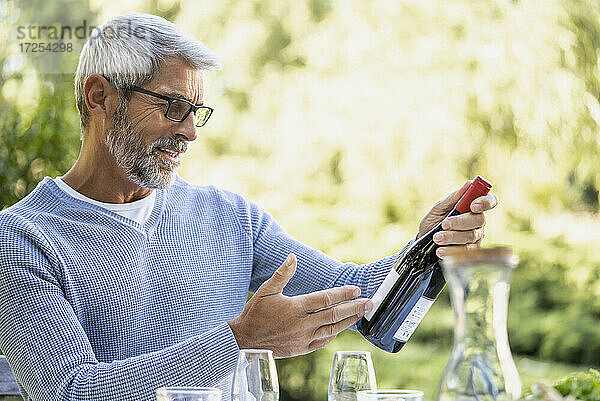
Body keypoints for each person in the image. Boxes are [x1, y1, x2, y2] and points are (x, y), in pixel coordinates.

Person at [0, 13, 498, 401]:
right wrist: (234, 344)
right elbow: (66, 391)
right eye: (172, 107)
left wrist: (428, 247)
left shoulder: (232, 218)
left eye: (196, 113)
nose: (190, 132)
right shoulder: (21, 239)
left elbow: (363, 304)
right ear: (99, 96)